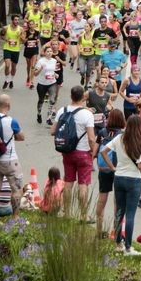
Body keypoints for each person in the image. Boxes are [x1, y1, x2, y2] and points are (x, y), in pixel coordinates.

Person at [101, 113, 141, 256]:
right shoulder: (139, 142)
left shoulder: (119, 138)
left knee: (119, 211)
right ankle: (128, 247)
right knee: (130, 214)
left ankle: (118, 243)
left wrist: (112, 167)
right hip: (133, 179)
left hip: (119, 177)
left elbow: (104, 151)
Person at [52, 85, 97, 213]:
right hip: (83, 152)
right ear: (83, 97)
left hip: (67, 152)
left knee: (68, 182)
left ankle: (67, 212)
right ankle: (83, 214)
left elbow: (53, 131)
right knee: (83, 184)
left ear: (71, 96)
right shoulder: (87, 114)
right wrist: (93, 152)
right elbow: (91, 138)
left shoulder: (62, 111)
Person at [0, 94, 25, 227]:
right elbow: (21, 137)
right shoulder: (11, 121)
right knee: (16, 189)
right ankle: (15, 216)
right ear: (9, 105)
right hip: (10, 160)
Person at [95, 109, 125, 236]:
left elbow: (95, 151)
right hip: (117, 169)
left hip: (104, 169)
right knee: (117, 201)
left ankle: (99, 230)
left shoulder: (102, 132)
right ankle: (115, 231)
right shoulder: (122, 135)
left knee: (102, 198)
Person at [0, 14, 23, 90]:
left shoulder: (21, 29)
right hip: (7, 48)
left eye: (18, 20)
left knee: (13, 67)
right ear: (12, 20)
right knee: (7, 65)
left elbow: (23, 40)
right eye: (15, 20)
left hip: (16, 50)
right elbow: (1, 35)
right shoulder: (6, 28)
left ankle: (11, 80)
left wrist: (20, 36)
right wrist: (6, 39)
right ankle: (7, 79)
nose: (17, 21)